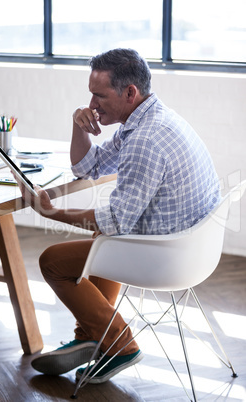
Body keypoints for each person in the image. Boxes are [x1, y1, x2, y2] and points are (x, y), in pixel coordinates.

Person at [19, 48, 221, 383]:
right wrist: (78, 125)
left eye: (99, 95)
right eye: (90, 95)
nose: (92, 104)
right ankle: (91, 334)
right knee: (103, 238)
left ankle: (119, 343)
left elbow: (114, 221)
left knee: (53, 262)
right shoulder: (149, 118)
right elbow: (89, 166)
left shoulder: (145, 139)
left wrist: (49, 212)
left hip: (167, 258)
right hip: (193, 248)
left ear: (130, 92)